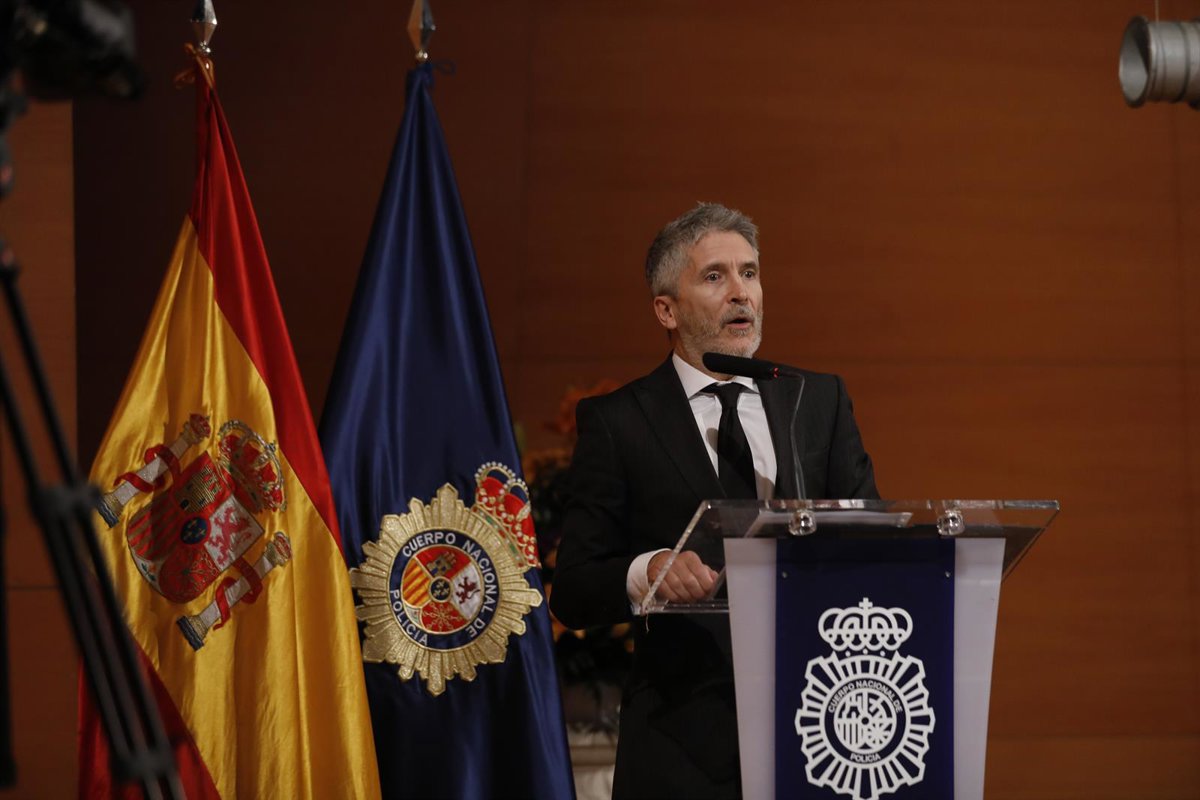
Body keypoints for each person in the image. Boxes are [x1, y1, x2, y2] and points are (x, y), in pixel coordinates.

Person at [549, 202, 879, 799]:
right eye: (714, 276)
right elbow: (573, 587)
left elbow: (872, 542)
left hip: (819, 725)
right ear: (666, 310)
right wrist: (648, 569)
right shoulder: (620, 422)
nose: (740, 293)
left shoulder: (815, 401)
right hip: (682, 745)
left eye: (749, 273)